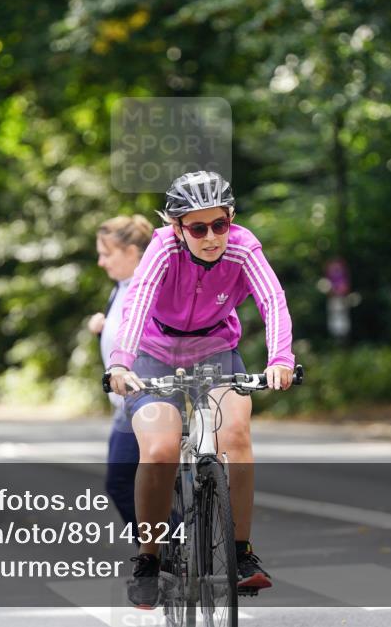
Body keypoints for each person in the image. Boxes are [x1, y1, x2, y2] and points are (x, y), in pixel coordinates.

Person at [106, 171, 295, 608]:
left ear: (231, 219)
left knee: (236, 434)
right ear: (177, 228)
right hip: (154, 353)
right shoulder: (162, 248)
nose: (211, 237)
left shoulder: (244, 247)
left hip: (216, 349)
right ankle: (149, 559)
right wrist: (121, 362)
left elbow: (272, 300)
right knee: (160, 449)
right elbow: (137, 302)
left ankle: (241, 554)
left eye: (219, 224)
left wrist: (280, 359)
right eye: (197, 228)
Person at [88, 215, 154, 534]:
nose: (101, 262)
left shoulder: (146, 286)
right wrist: (102, 330)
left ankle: (173, 546)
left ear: (131, 252)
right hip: (127, 402)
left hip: (142, 399)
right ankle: (171, 549)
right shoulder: (121, 287)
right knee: (133, 484)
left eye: (107, 254)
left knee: (121, 483)